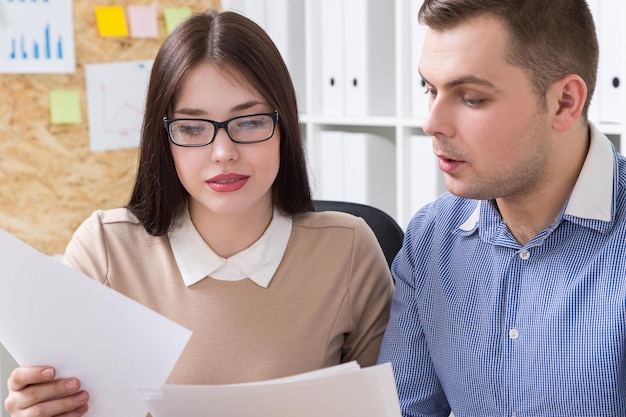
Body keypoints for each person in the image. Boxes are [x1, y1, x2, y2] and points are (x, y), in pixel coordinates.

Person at [5, 10, 393, 417]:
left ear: (284, 127)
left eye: (249, 122)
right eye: (192, 128)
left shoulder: (348, 251)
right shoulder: (105, 250)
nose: (224, 153)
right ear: (164, 138)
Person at [377, 0, 626, 415]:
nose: (432, 123)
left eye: (471, 98)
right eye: (430, 89)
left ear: (565, 102)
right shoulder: (430, 238)